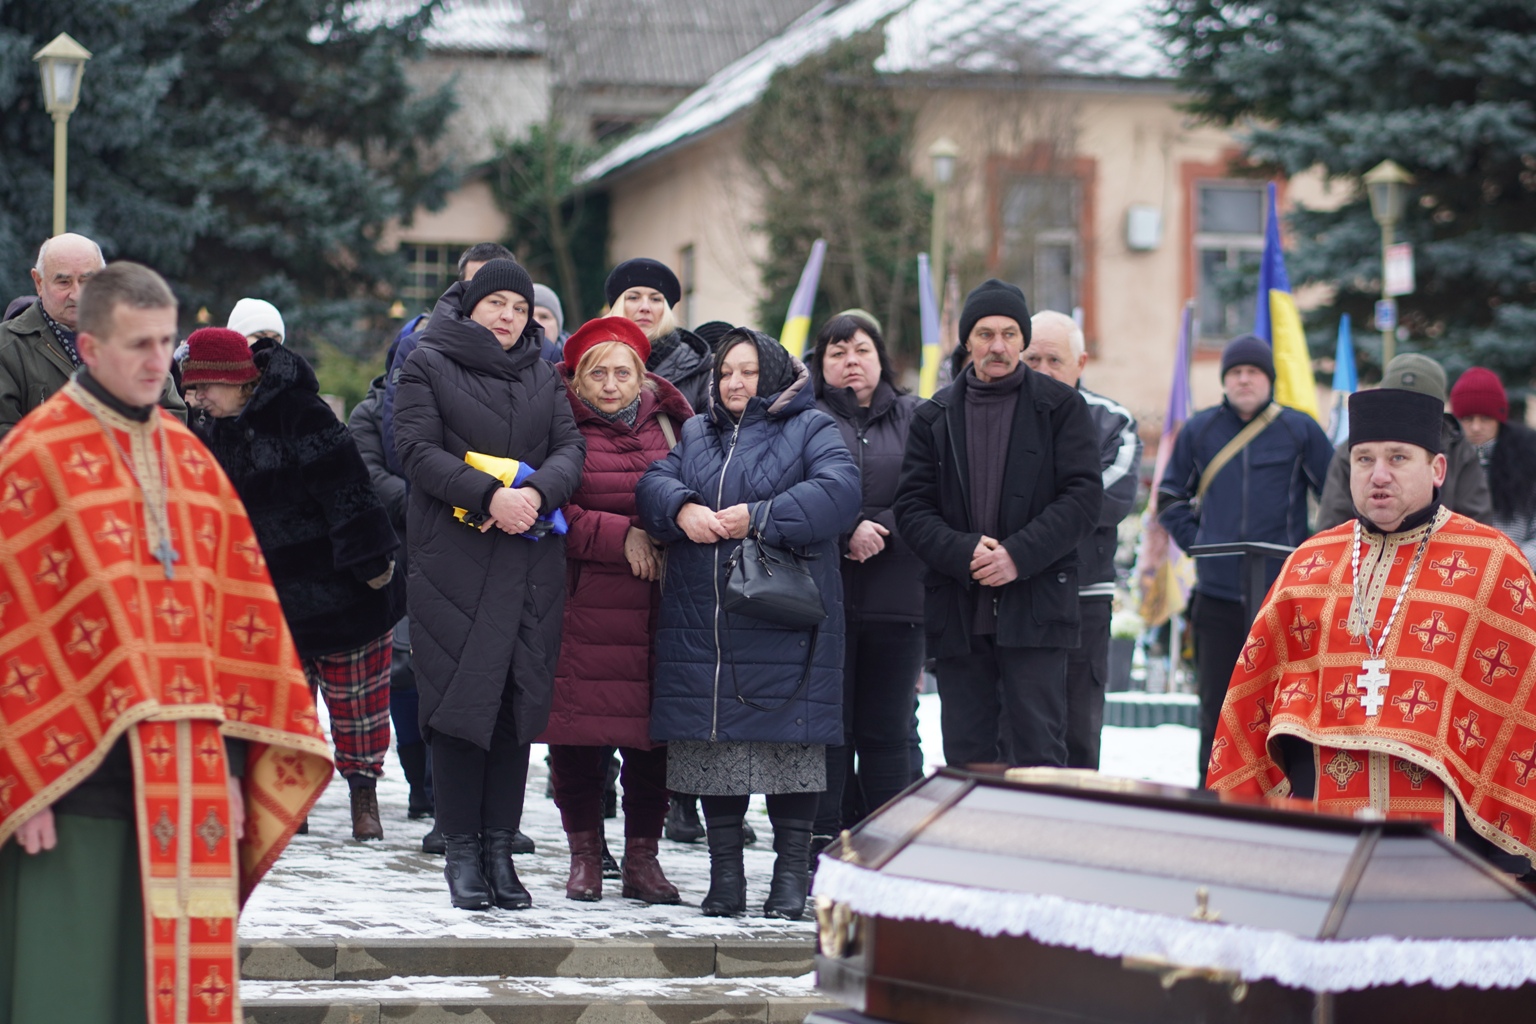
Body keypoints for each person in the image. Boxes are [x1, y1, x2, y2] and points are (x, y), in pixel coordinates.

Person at [0, 262, 330, 1024]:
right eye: (138, 345)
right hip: (66, 786)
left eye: (166, 343)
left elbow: (241, 632)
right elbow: (14, 625)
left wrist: (239, 770)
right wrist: (18, 780)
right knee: (64, 998)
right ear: (87, 347)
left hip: (190, 792)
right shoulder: (34, 456)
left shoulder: (193, 466)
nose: (160, 363)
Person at [1209, 388, 1536, 880]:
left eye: (1398, 458)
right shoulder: (1309, 564)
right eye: (1364, 459)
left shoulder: (1493, 565)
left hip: (1456, 858)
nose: (1378, 474)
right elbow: (1249, 706)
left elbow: (1520, 716)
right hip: (1322, 842)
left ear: (1438, 470)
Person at [637, 327, 859, 919]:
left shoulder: (811, 426)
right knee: (717, 752)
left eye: (749, 371)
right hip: (706, 623)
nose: (735, 383)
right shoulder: (696, 432)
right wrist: (681, 506)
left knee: (791, 751)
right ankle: (725, 878)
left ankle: (789, 880)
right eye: (726, 372)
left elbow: (840, 492)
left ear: (776, 373)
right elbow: (653, 483)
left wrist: (757, 516)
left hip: (783, 619)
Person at [394, 258, 585, 911]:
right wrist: (489, 497)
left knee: (514, 707)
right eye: (495, 303)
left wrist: (534, 492)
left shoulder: (544, 371)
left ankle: (502, 851)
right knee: (456, 705)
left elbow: (570, 451)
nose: (508, 316)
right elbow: (416, 451)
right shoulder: (426, 362)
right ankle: (464, 854)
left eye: (519, 305)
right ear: (470, 306)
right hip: (455, 560)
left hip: (530, 562)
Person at [185, 327, 404, 841]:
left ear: (233, 380)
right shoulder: (210, 429)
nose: (195, 399)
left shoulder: (301, 411)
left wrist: (370, 561)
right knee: (280, 709)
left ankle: (362, 794)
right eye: (191, 390)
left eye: (203, 389)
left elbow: (348, 487)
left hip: (341, 588)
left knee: (357, 705)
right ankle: (290, 801)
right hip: (268, 598)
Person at [895, 280, 1102, 770]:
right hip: (959, 610)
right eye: (986, 334)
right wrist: (965, 552)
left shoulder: (1061, 408)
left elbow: (1082, 498)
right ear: (968, 341)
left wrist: (1017, 555)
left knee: (1039, 752)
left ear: (1023, 340)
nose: (998, 346)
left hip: (1036, 605)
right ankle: (972, 847)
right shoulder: (934, 416)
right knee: (967, 756)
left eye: (1010, 334)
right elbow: (912, 507)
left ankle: (1034, 846)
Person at [539, 316, 693, 903]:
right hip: (586, 608)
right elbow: (550, 509)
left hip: (659, 606)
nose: (609, 384)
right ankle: (584, 856)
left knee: (653, 743)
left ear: (641, 376)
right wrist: (621, 535)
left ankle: (641, 859)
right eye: (596, 374)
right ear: (577, 380)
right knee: (579, 739)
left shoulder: (672, 424)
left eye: (621, 372)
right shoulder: (559, 427)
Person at [1157, 334, 1334, 783]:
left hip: (1285, 597)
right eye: (1235, 373)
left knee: (1286, 701)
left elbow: (1334, 500)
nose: (1243, 380)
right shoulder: (1199, 430)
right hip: (1216, 594)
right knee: (1216, 703)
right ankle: (1211, 793)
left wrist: (1311, 557)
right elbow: (1171, 497)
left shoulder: (1299, 428)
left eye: (1253, 372)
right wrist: (1200, 542)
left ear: (1268, 379)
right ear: (1224, 381)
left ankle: (1289, 791)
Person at [805, 312, 925, 854]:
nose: (850, 362)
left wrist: (883, 529)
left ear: (881, 359)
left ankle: (886, 852)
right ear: (820, 363)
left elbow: (933, 494)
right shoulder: (801, 418)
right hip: (818, 602)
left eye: (861, 351)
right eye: (837, 353)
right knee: (827, 732)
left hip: (897, 600)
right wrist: (845, 529)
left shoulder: (918, 417)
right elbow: (791, 491)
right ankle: (820, 846)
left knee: (888, 734)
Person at [1023, 310, 1142, 770]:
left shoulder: (1113, 421)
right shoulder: (995, 416)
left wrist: (1029, 517)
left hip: (1083, 597)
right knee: (1016, 732)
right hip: (1014, 595)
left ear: (1081, 362)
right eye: (1032, 358)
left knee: (1077, 732)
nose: (1043, 371)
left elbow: (1107, 499)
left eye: (1055, 359)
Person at [348, 368, 433, 824]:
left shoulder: (448, 402)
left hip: (447, 547)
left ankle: (436, 787)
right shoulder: (370, 412)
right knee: (402, 671)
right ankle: (418, 782)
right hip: (394, 550)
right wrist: (433, 498)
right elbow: (368, 473)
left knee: (442, 671)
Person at [0, 233, 185, 439]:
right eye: (64, 282)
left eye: (87, 281)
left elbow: (172, 415)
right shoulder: (7, 347)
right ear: (39, 282)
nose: (77, 294)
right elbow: (6, 438)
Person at [1316, 353, 1490, 529]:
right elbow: (1333, 518)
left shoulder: (1457, 448)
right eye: (1397, 404)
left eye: (1398, 458)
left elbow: (1476, 522)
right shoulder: (1357, 448)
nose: (1380, 476)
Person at [1450, 367, 1536, 567]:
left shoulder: (1528, 462)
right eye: (1468, 419)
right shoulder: (1442, 461)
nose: (1476, 427)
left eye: (1485, 418)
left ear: (1499, 419)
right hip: (1453, 572)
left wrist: (1511, 562)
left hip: (1515, 575)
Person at [606, 258, 711, 413]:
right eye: (634, 297)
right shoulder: (590, 361)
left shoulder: (697, 370)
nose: (645, 307)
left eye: (655, 299)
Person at [533, 283, 568, 362]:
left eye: (544, 317)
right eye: (530, 317)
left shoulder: (580, 364)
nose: (536, 323)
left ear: (558, 325)